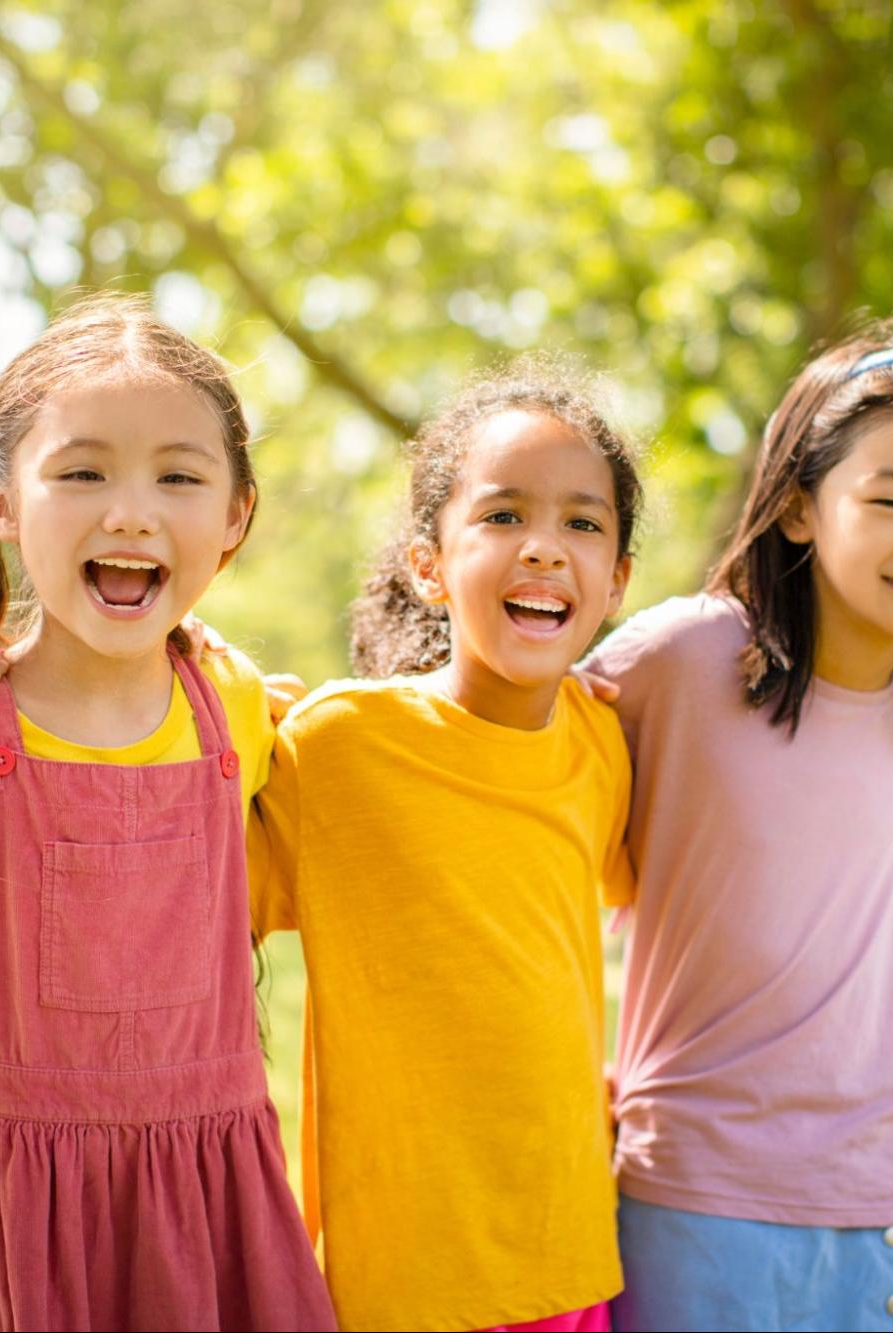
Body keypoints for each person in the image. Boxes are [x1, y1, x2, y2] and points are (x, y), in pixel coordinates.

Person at [0, 293, 334, 1331]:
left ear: (235, 516)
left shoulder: (232, 711)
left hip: (205, 1211)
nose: (130, 512)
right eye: (82, 471)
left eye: (178, 476)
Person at [588, 301, 893, 1331]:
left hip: (878, 1208)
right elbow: (513, 762)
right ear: (801, 506)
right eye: (890, 500)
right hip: (695, 1197)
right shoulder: (684, 658)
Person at [248, 362, 639, 1331]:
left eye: (583, 524)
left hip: (568, 1249)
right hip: (400, 1276)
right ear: (428, 563)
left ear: (618, 580)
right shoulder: (340, 743)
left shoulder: (600, 740)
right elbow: (208, 899)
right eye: (503, 516)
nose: (545, 548)